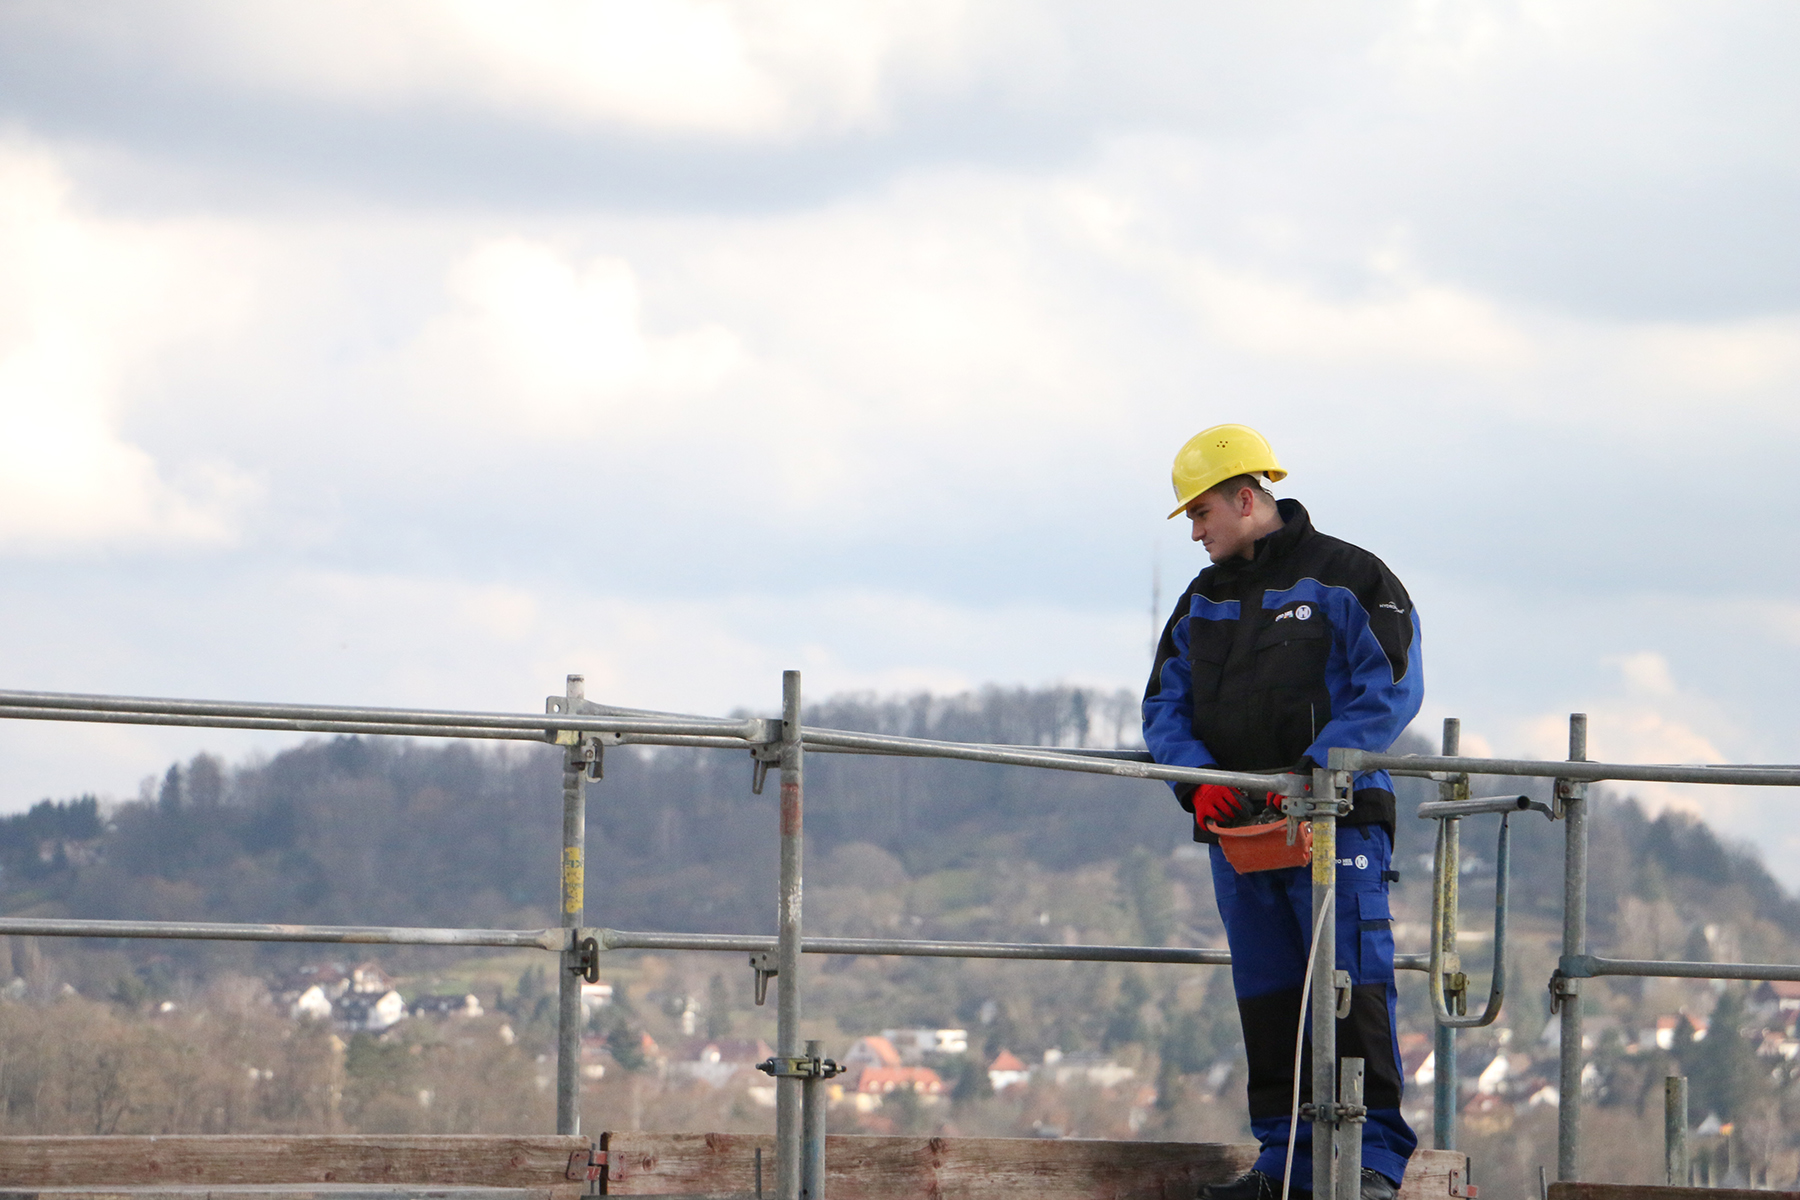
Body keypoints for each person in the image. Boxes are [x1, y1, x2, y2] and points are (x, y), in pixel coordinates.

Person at [1141, 424, 1422, 1200]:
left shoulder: (1351, 578)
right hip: (1241, 832)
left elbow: (1389, 686)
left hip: (1335, 822)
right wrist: (1197, 782)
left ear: (1245, 497)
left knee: (1352, 987)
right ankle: (1285, 1161)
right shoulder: (1203, 599)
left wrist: (1316, 776)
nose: (1195, 532)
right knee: (1269, 995)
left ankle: (1376, 1162)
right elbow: (1164, 705)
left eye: (1200, 514)